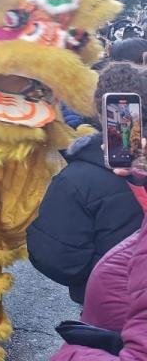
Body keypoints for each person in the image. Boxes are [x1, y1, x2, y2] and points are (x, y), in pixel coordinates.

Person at [28, 61, 147, 304]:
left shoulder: (75, 179)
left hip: (108, 305)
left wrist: (103, 274)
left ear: (99, 110)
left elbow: (57, 258)